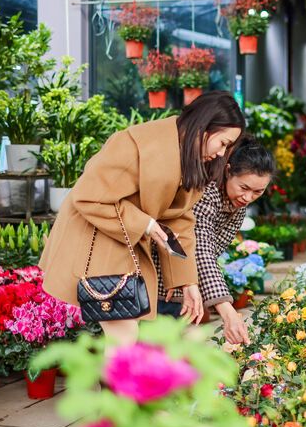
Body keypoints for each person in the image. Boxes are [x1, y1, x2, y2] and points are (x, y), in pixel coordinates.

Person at [40, 91, 245, 346]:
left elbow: (181, 221)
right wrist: (146, 225)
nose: (221, 153)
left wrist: (188, 281)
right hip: (97, 238)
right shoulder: (135, 144)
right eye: (223, 143)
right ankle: (120, 386)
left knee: (126, 336)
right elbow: (88, 196)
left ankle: (113, 385)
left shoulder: (187, 156)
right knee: (125, 337)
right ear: (204, 128)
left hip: (123, 242)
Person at [159, 135, 274, 345]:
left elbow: (210, 252)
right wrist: (227, 311)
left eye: (258, 191)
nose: (248, 197)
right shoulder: (207, 192)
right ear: (228, 171)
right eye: (244, 188)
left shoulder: (237, 207)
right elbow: (200, 249)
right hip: (161, 283)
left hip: (182, 286)